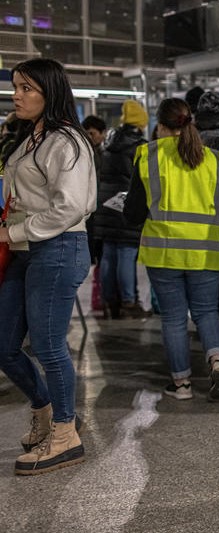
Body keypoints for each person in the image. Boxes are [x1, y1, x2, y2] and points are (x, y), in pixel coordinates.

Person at [0, 58, 96, 475]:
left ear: (49, 92)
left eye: (26, 88)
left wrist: (13, 233)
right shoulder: (30, 137)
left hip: (58, 248)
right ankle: (45, 408)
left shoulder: (66, 142)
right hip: (28, 250)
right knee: (4, 344)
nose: (16, 95)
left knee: (48, 345)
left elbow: (72, 206)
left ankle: (65, 432)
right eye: (16, 87)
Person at [123, 98, 219, 402]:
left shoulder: (149, 156)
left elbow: (132, 212)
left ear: (160, 125)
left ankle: (182, 385)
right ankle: (217, 362)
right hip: (206, 250)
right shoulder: (215, 160)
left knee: (173, 318)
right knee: (207, 312)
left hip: (164, 250)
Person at [94, 99, 149, 319]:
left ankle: (110, 301)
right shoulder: (139, 145)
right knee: (127, 251)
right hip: (125, 199)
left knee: (108, 252)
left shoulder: (109, 141)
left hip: (104, 201)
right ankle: (128, 300)